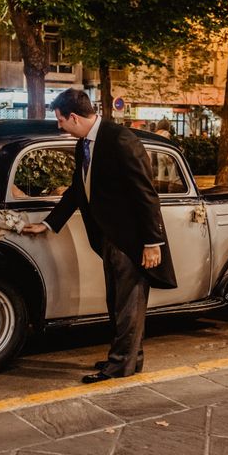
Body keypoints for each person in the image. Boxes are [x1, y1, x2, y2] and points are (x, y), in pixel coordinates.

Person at [22, 89, 176, 383]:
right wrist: (49, 224)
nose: (59, 126)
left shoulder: (120, 140)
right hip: (109, 237)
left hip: (131, 239)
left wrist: (152, 243)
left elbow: (146, 194)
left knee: (127, 304)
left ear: (75, 117)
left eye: (60, 120)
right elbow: (77, 191)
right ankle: (129, 357)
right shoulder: (85, 145)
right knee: (117, 300)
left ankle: (119, 365)